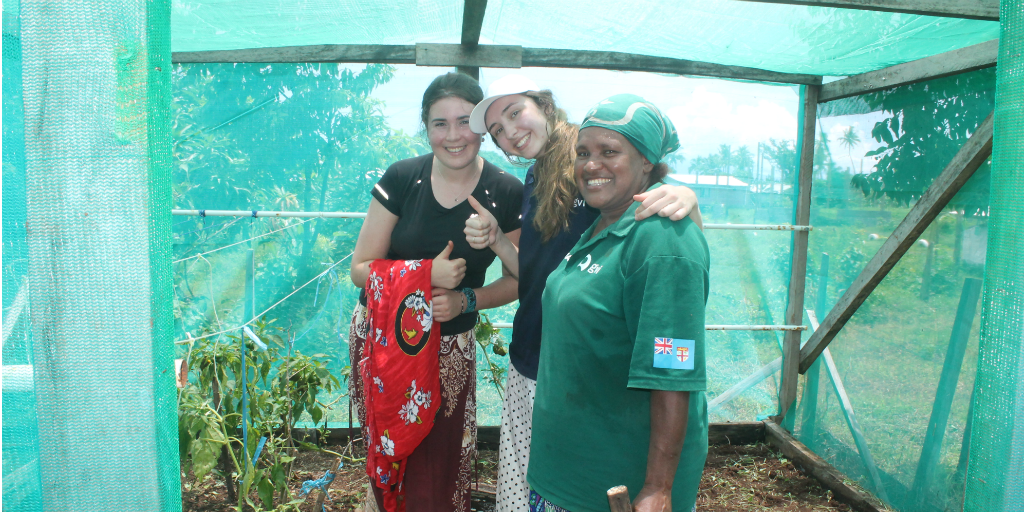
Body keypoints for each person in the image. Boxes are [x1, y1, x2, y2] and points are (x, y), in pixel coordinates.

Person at [464, 75, 704, 510]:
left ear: (545, 106)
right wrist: (500, 241)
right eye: (496, 130)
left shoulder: (619, 203)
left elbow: (674, 360)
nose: (508, 131)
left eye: (515, 112)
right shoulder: (550, 186)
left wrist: (684, 195)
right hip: (542, 364)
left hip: (586, 387)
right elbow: (543, 274)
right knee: (525, 486)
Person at [348, 72, 523, 512]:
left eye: (464, 121)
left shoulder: (506, 191)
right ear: (425, 128)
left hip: (451, 350)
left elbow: (520, 279)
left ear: (482, 127)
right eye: (439, 124)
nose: (453, 136)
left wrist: (466, 299)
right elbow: (359, 269)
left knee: (441, 463)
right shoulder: (403, 178)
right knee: (392, 457)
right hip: (386, 346)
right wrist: (427, 275)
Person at [529, 94, 710, 511]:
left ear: (646, 161)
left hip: (614, 485)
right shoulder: (603, 224)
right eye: (583, 153)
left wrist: (659, 488)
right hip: (567, 472)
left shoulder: (660, 240)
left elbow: (672, 368)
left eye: (610, 152)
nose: (591, 165)